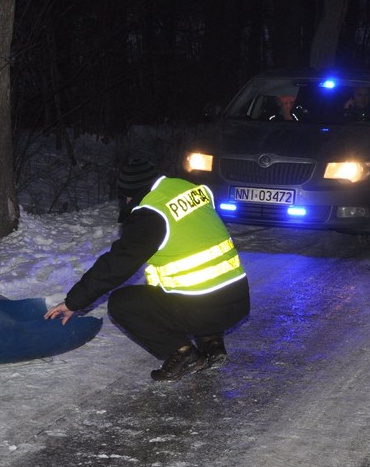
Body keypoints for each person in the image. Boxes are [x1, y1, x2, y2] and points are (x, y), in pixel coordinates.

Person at [44, 159, 250, 381]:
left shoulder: (150, 214)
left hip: (203, 309)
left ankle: (183, 352)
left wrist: (73, 302)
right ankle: (212, 343)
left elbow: (115, 266)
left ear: (130, 193)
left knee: (122, 303)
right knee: (197, 286)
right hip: (238, 300)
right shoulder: (188, 188)